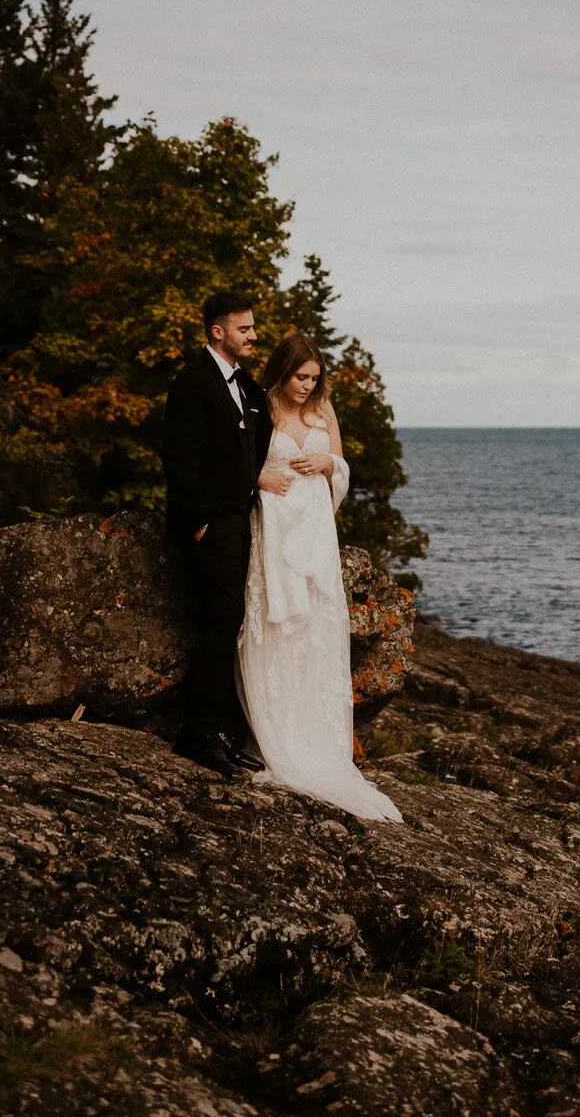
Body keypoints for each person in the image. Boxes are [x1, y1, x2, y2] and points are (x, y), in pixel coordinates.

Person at [237, 332, 401, 821]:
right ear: (282, 373)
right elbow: (239, 464)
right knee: (275, 627)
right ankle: (275, 737)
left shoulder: (324, 411)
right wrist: (261, 479)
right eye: (299, 377)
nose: (307, 386)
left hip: (315, 531)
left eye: (313, 378)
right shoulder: (258, 407)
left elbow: (342, 469)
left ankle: (318, 743)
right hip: (274, 525)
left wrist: (327, 461)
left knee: (315, 631)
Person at [162, 288, 274, 777]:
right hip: (212, 523)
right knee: (219, 620)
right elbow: (178, 458)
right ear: (218, 331)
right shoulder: (193, 381)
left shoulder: (245, 384)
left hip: (240, 517)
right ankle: (198, 734)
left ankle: (224, 732)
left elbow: (256, 440)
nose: (253, 335)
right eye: (244, 328)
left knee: (232, 621)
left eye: (251, 328)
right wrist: (201, 522)